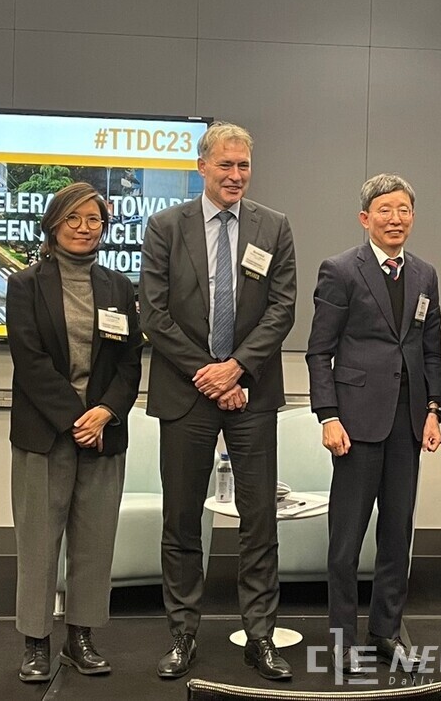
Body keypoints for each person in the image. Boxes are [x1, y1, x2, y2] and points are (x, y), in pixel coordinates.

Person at [140, 121, 297, 681]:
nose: (235, 176)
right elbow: (152, 312)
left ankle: (261, 637)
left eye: (244, 166)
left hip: (251, 391)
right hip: (186, 394)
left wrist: (235, 368)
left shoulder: (273, 226)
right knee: (182, 520)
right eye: (225, 165)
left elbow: (282, 309)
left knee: (259, 520)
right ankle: (182, 635)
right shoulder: (165, 226)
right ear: (202, 166)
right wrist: (206, 372)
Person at [305, 174, 441, 676]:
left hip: (409, 423)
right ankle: (342, 638)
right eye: (385, 210)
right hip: (355, 425)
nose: (395, 219)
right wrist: (329, 415)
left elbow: (432, 351)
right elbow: (320, 351)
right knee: (346, 539)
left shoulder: (426, 274)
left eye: (404, 209)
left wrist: (434, 411)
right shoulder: (341, 270)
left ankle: (385, 631)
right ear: (366, 218)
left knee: (396, 534)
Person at [6, 183, 143, 683]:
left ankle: (81, 637)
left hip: (104, 433)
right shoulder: (25, 284)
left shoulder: (120, 287)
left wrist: (104, 411)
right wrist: (75, 417)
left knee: (95, 541)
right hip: (46, 434)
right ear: (53, 224)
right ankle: (36, 642)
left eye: (95, 220)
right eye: (74, 219)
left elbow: (130, 363)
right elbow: (30, 360)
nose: (85, 228)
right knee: (39, 543)